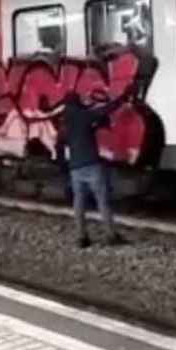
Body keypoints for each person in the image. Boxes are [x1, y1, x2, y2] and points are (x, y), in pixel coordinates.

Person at [62, 88, 132, 248]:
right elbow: (104, 110)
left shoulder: (66, 120)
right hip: (91, 165)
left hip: (75, 168)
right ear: (76, 102)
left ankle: (82, 237)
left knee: (79, 203)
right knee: (102, 201)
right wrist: (123, 97)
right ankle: (111, 235)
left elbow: (67, 140)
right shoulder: (82, 116)